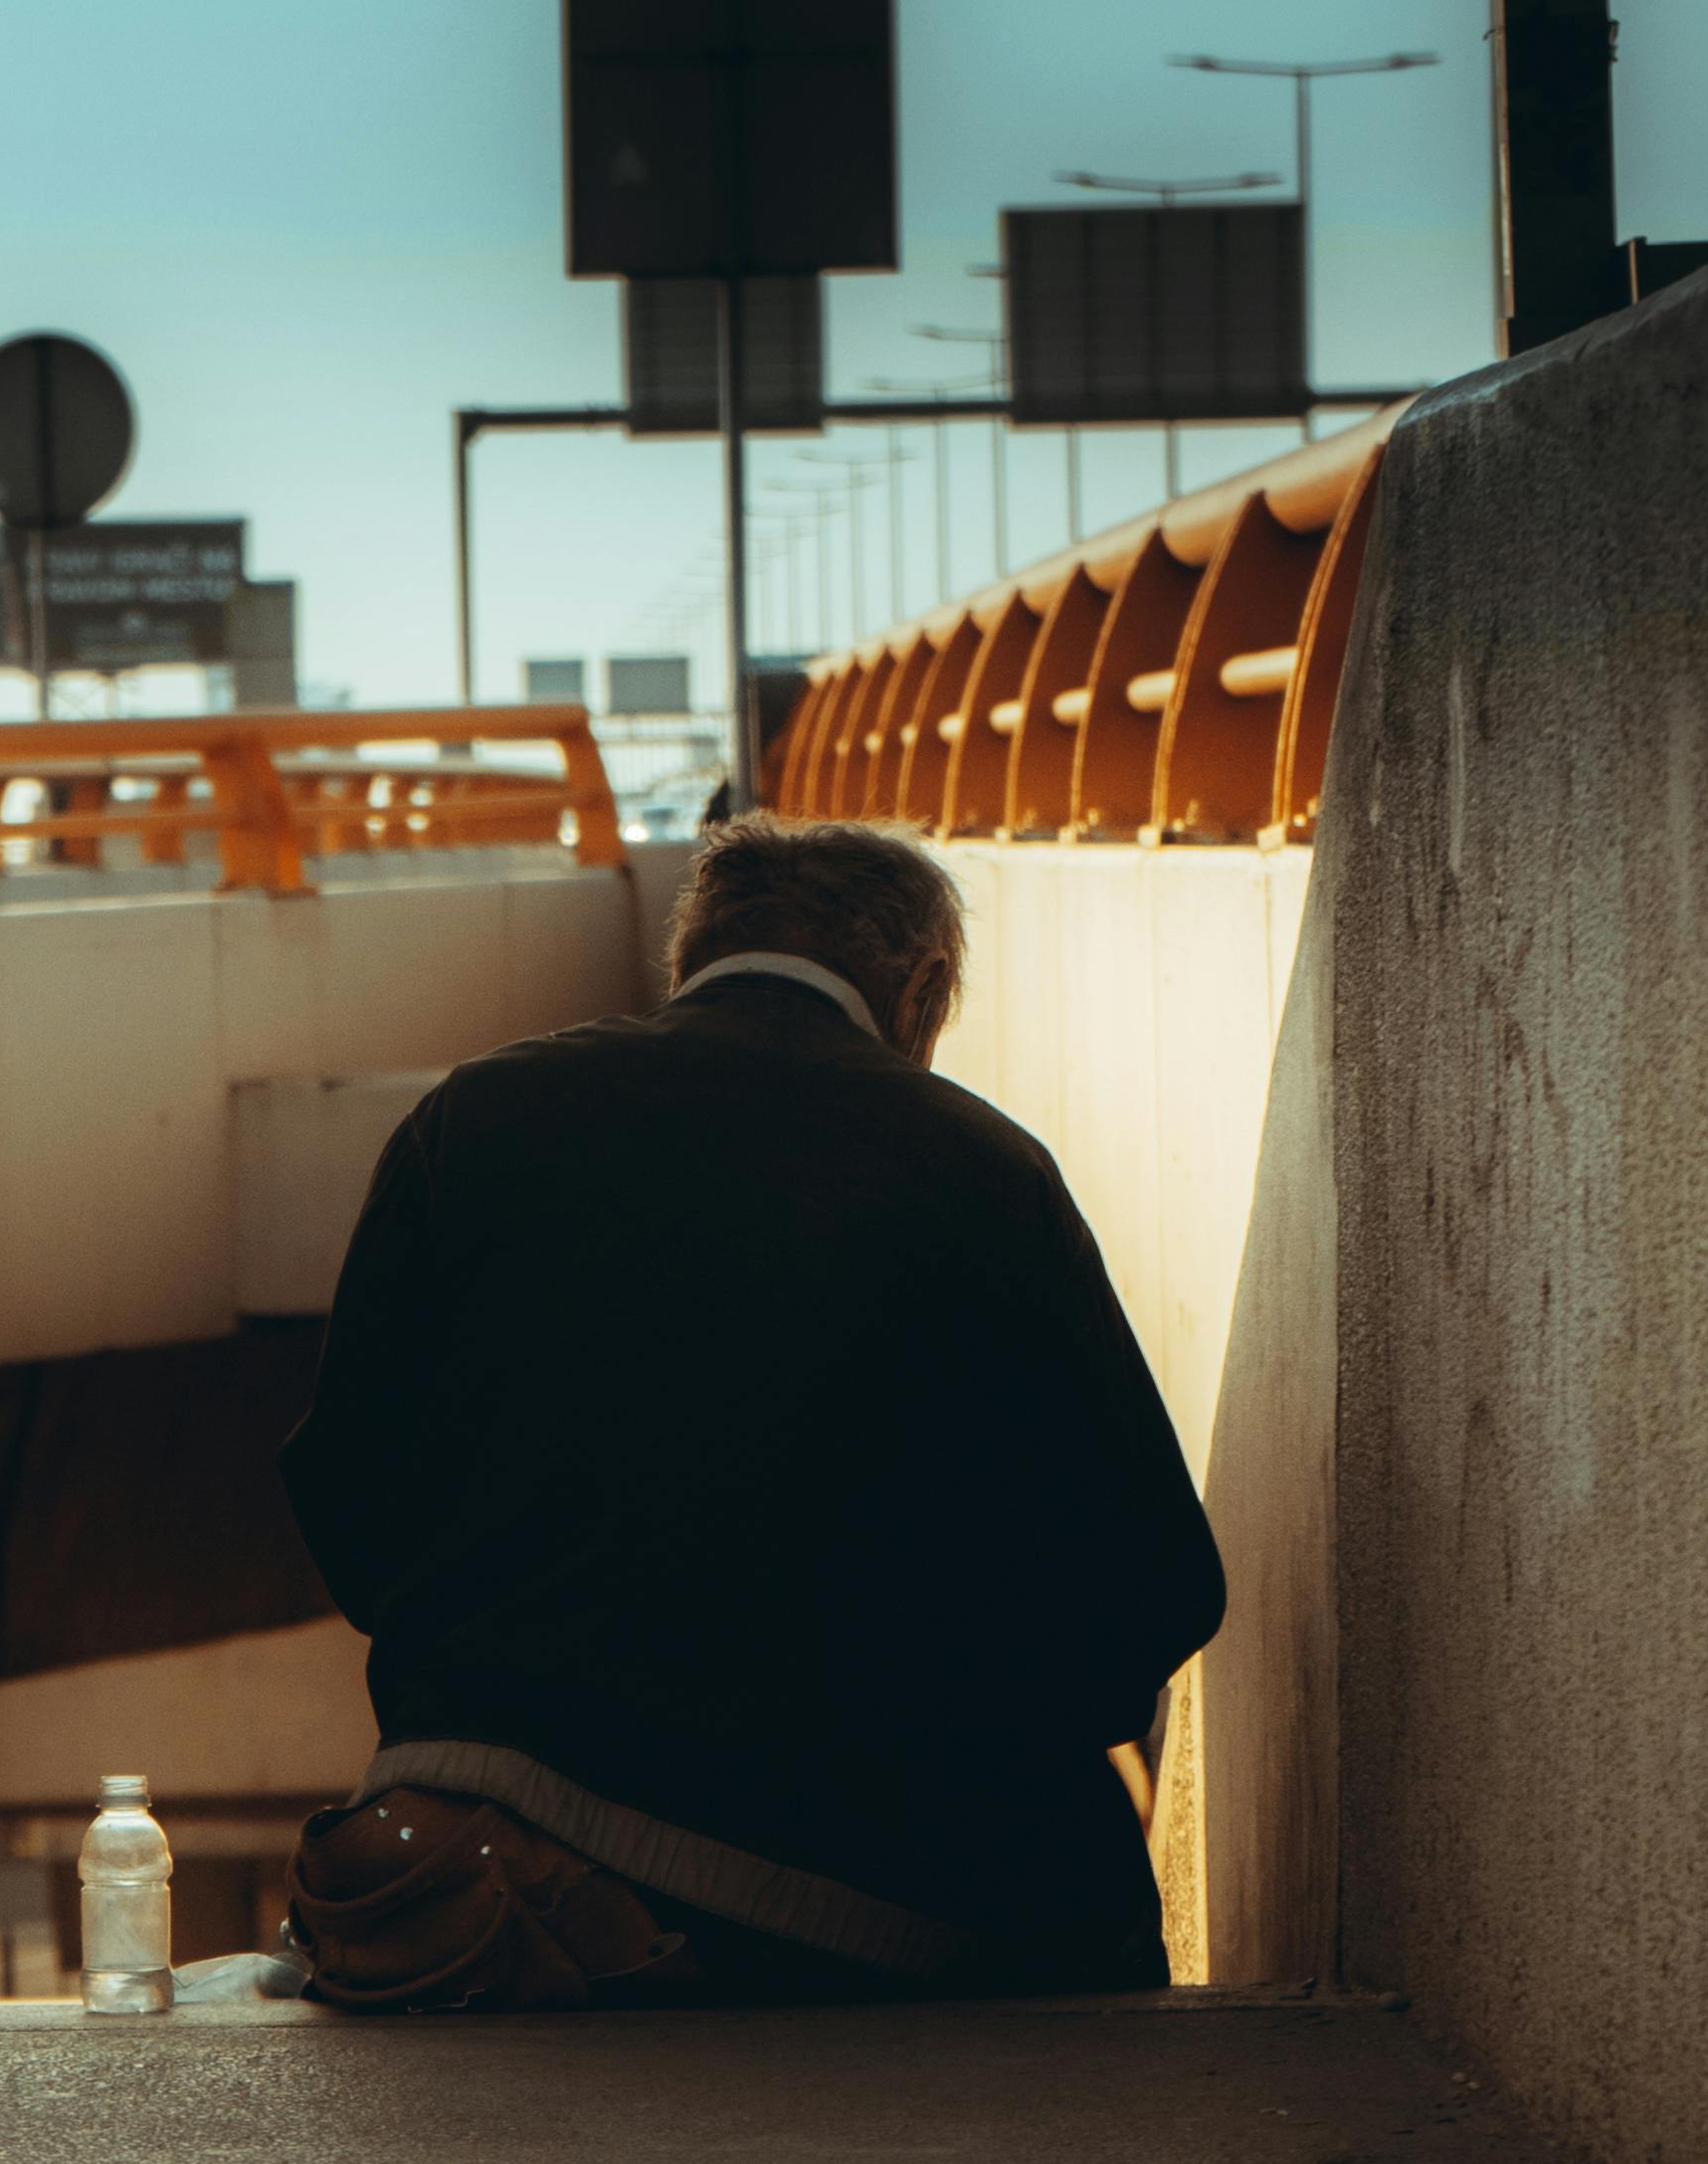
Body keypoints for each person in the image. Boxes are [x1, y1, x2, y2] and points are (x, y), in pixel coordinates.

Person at [277, 813, 1223, 2009]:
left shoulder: (467, 1119)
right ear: (922, 985)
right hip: (852, 1892)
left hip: (471, 1829)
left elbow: (348, 1488)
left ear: (692, 959)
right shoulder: (979, 1165)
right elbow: (1151, 1579)